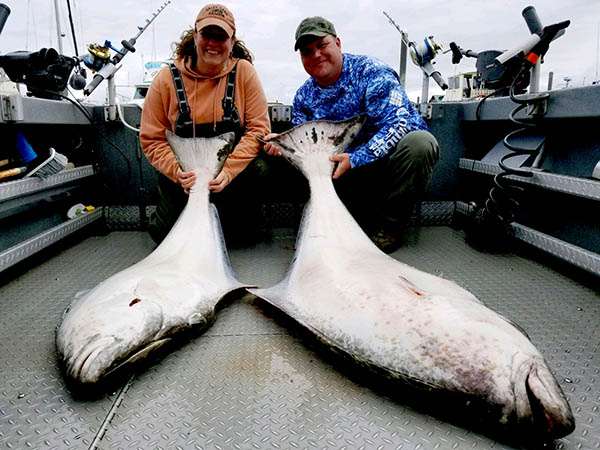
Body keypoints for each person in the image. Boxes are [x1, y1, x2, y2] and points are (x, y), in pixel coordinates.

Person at [264, 16, 439, 253]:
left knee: (420, 143)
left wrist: (355, 158)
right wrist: (283, 147)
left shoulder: (372, 72)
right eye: (307, 51)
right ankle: (326, 225)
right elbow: (303, 144)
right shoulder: (303, 96)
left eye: (321, 45)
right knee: (271, 161)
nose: (315, 55)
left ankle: (390, 229)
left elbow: (400, 123)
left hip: (381, 170)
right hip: (339, 178)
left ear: (338, 43)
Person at [140, 4, 271, 246]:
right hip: (185, 177)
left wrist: (228, 171)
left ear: (232, 42)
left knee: (241, 237)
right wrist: (176, 172)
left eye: (221, 37)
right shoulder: (165, 79)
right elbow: (152, 139)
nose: (213, 43)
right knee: (165, 239)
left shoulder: (244, 72)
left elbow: (258, 130)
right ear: (195, 35)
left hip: (228, 176)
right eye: (207, 35)